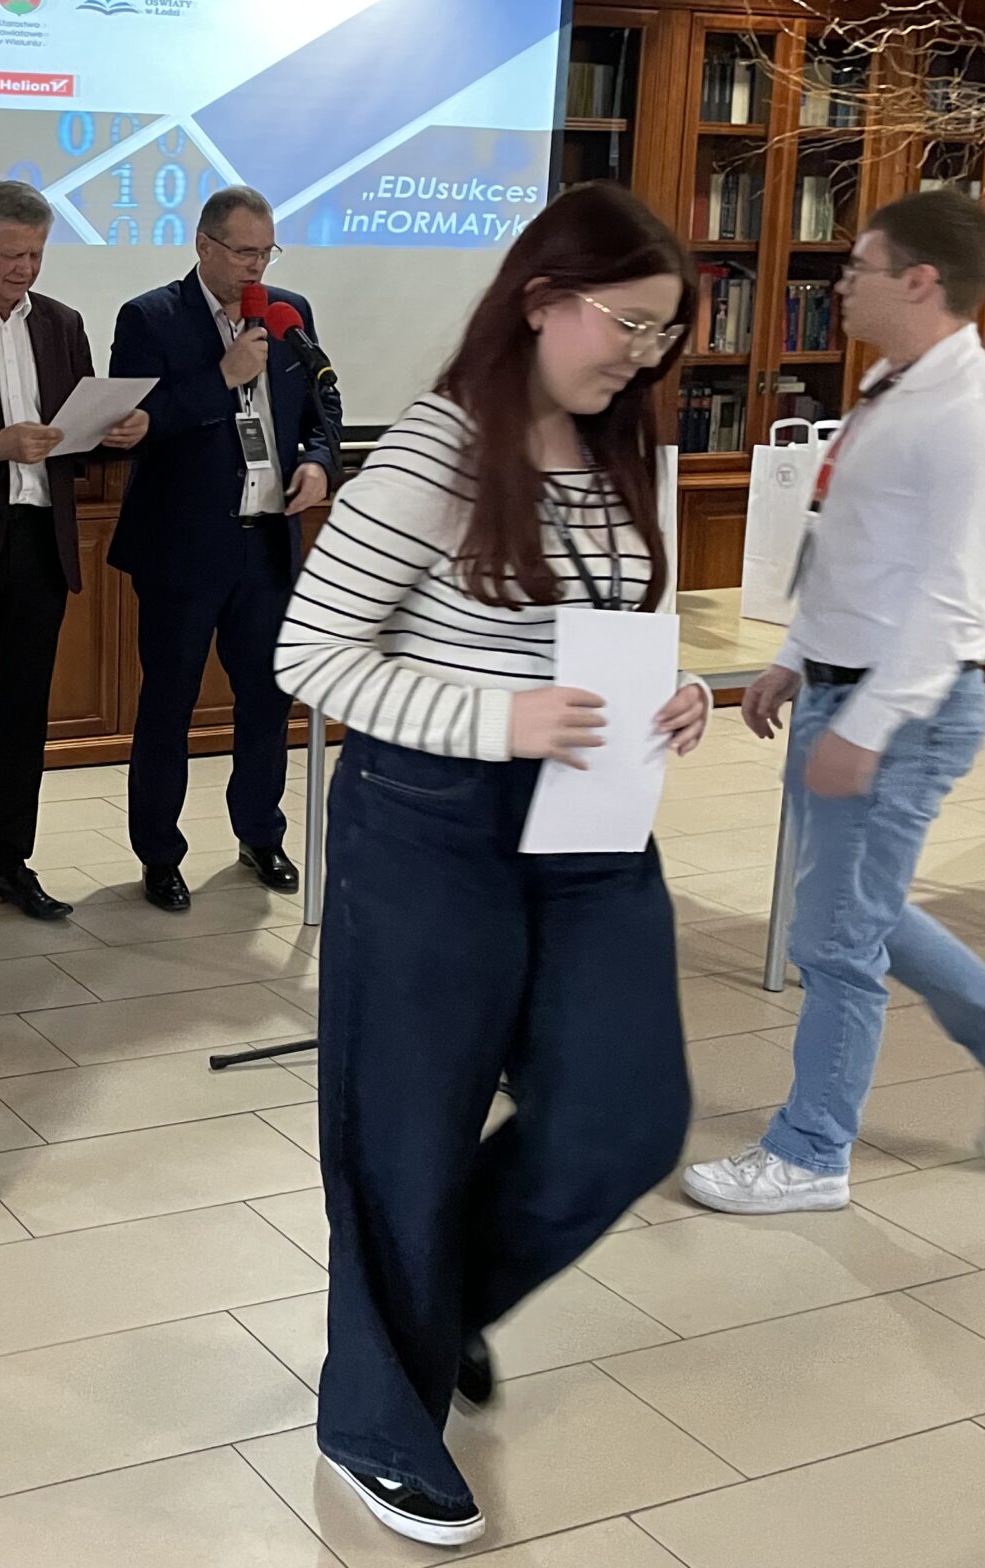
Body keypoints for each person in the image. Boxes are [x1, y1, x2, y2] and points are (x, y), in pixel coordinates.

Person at [271, 181, 709, 1549]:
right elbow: (309, 655)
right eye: (628, 325)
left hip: (591, 816)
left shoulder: (622, 448)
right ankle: (373, 1417)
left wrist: (674, 690)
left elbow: (604, 621)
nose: (642, 356)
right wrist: (493, 719)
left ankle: (438, 1299)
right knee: (407, 1131)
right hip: (431, 821)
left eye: (664, 335)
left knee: (626, 1113)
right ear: (541, 301)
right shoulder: (434, 455)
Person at [685, 190, 985, 1217]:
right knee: (853, 913)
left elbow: (955, 600)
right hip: (841, 686)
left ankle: (810, 1153)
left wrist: (866, 727)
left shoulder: (978, 419)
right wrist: (794, 658)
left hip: (899, 711)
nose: (841, 283)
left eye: (859, 267)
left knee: (833, 942)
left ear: (920, 282)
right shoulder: (890, 386)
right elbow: (852, 552)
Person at [109, 185, 343, 912]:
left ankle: (260, 835)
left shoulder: (289, 311)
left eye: (266, 252)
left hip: (267, 544)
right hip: (181, 549)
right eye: (244, 252)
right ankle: (159, 853)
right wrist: (222, 378)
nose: (256, 267)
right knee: (168, 704)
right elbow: (135, 423)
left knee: (266, 701)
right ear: (204, 246)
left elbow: (323, 405)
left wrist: (318, 461)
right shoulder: (149, 318)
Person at [0, 180, 147, 920]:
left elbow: (75, 437)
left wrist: (116, 433)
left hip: (42, 542)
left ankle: (9, 864)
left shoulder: (62, 323)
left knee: (25, 714)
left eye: (36, 253)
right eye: (11, 254)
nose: (25, 268)